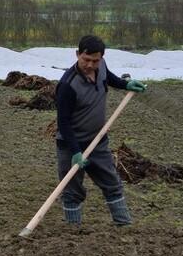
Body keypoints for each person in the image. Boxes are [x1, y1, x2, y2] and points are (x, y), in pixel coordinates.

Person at [54, 35, 147, 225]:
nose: (90, 65)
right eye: (85, 59)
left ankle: (124, 225)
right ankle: (73, 232)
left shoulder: (101, 67)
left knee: (112, 183)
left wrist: (125, 84)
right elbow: (63, 122)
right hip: (71, 145)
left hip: (98, 141)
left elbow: (108, 78)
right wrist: (75, 151)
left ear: (102, 58)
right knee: (72, 191)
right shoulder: (67, 86)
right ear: (77, 54)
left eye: (95, 61)